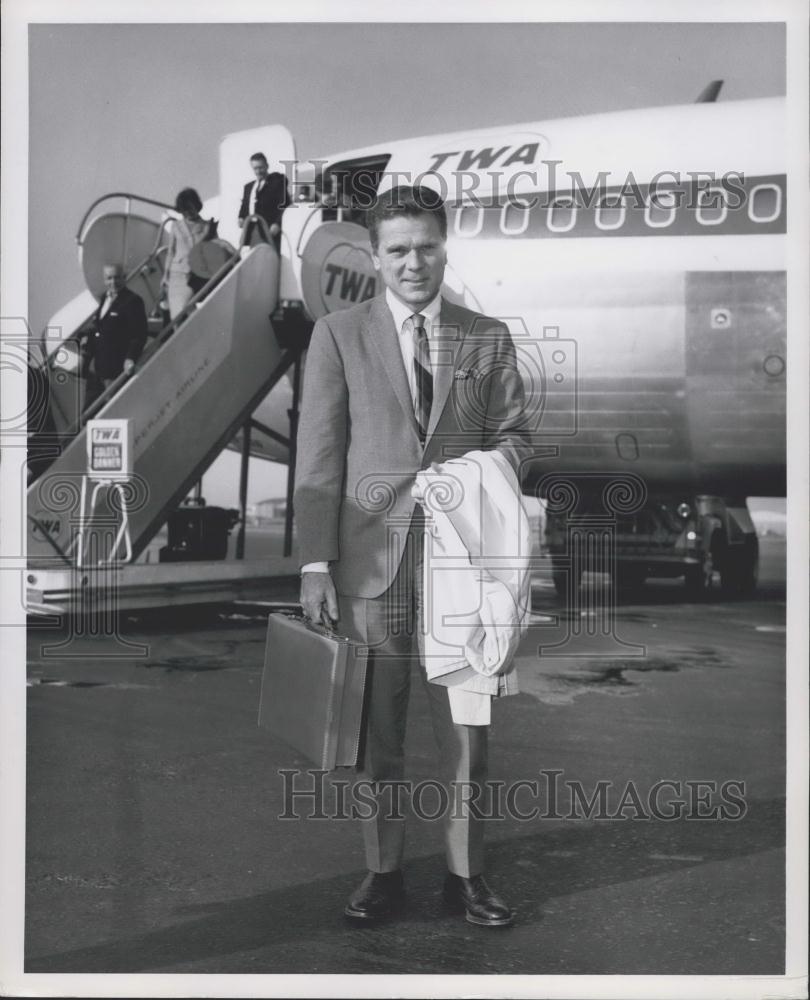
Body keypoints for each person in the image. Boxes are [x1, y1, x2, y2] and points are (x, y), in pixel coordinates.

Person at [294, 185, 533, 927]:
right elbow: (320, 457)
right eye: (397, 249)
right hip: (372, 568)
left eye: (426, 245)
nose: (414, 262)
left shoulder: (485, 337)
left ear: (445, 246)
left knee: (467, 733)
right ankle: (383, 873)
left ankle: (468, 878)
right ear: (374, 258)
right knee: (379, 736)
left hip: (464, 569)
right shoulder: (338, 335)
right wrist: (314, 563)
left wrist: (471, 478)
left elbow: (517, 438)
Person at [81, 263, 147, 407]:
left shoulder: (132, 301)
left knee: (114, 408)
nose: (113, 282)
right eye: (109, 278)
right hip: (97, 369)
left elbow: (139, 334)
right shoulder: (104, 298)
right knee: (88, 415)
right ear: (104, 280)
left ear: (124, 277)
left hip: (114, 369)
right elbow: (100, 328)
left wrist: (130, 358)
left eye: (117, 278)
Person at [162, 187, 210, 319]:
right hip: (176, 274)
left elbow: (212, 252)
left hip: (195, 275)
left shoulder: (207, 226)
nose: (188, 213)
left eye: (190, 208)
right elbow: (171, 252)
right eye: (185, 210)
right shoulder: (176, 226)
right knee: (175, 316)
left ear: (196, 206)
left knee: (185, 307)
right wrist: (165, 275)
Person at [238, 152, 289, 247]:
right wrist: (241, 217)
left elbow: (285, 205)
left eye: (260, 167)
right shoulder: (248, 187)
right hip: (252, 232)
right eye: (255, 168)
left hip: (270, 232)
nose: (258, 171)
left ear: (267, 166)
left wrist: (277, 223)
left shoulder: (277, 183)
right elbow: (244, 206)